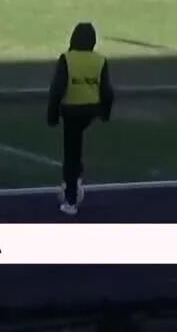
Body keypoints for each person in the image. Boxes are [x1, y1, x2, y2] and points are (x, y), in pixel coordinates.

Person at [46, 21, 114, 216]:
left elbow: (57, 89)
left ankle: (71, 200)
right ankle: (76, 179)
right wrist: (105, 113)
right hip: (90, 110)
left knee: (71, 153)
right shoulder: (100, 61)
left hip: (71, 110)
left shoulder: (67, 59)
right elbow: (107, 91)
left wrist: (52, 115)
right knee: (76, 147)